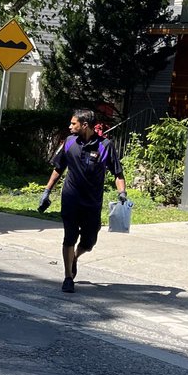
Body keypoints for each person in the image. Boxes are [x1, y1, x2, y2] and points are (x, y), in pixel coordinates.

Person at [38, 108, 128, 293]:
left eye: (73, 123)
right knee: (69, 237)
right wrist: (46, 191)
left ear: (84, 125)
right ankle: (68, 277)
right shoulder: (69, 142)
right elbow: (58, 168)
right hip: (71, 198)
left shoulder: (105, 146)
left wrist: (122, 193)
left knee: (89, 241)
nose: (70, 126)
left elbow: (118, 173)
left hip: (92, 202)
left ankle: (75, 257)